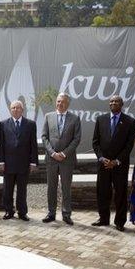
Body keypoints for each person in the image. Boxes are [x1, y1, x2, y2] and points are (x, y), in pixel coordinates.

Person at [92, 95, 135, 232]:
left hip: (119, 165)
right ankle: (103, 219)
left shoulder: (129, 121)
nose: (113, 103)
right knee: (102, 192)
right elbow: (95, 142)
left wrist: (116, 161)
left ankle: (120, 222)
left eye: (116, 101)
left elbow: (129, 145)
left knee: (120, 194)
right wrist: (101, 158)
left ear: (122, 104)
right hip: (103, 164)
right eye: (111, 101)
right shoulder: (100, 119)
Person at [41, 93, 81, 225]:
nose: (60, 104)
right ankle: (51, 213)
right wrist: (52, 153)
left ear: (68, 103)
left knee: (66, 188)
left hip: (67, 160)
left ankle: (66, 214)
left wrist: (64, 153)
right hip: (51, 159)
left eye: (63, 102)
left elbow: (76, 139)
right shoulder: (48, 116)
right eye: (58, 101)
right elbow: (44, 137)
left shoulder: (75, 119)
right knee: (51, 187)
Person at [0, 100, 38, 221]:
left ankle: (22, 212)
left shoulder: (30, 124)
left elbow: (33, 145)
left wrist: (33, 162)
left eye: (18, 108)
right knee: (7, 189)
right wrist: (1, 161)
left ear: (22, 110)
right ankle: (9, 211)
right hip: (8, 163)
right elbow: (1, 145)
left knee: (22, 190)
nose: (15, 110)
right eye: (13, 108)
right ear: (10, 110)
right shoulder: (3, 124)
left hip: (23, 163)